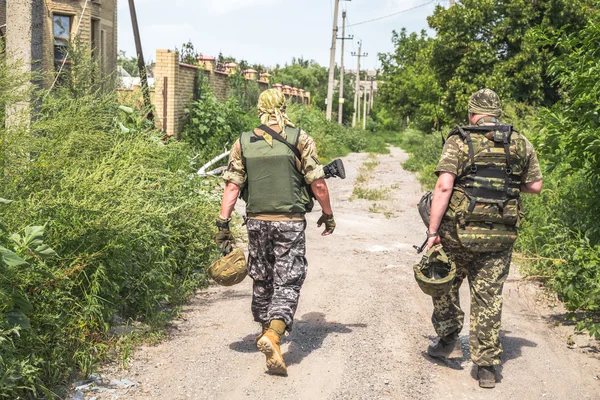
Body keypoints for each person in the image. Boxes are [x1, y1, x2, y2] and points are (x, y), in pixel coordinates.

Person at [424, 89, 543, 388]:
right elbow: (535, 185)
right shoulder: (519, 142)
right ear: (498, 112)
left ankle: (448, 339)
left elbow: (443, 187)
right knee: (488, 296)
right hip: (500, 236)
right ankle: (486, 366)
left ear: (472, 113)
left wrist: (432, 232)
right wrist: (505, 185)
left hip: (458, 234)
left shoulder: (460, 140)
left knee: (445, 282)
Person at [215, 89, 336, 376]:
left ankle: (265, 329)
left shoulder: (243, 141)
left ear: (259, 109)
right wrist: (328, 215)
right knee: (289, 277)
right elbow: (318, 184)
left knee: (262, 276)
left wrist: (222, 223)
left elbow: (232, 187)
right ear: (284, 107)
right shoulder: (300, 138)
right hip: (289, 221)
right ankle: (274, 334)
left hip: (256, 221)